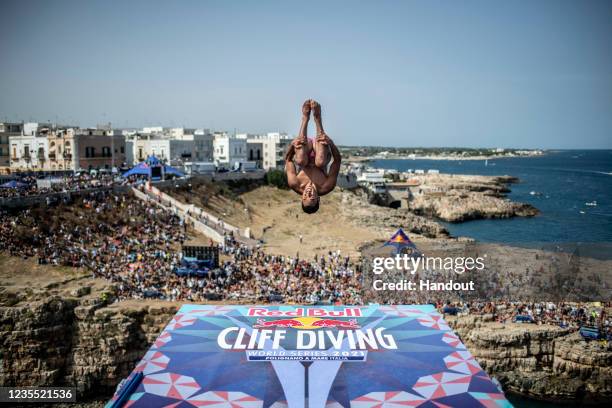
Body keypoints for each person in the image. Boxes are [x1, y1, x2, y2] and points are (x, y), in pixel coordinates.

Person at [285, 99, 341, 214]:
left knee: (300, 160)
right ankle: (317, 118)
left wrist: (292, 145)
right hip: (320, 149)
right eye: (311, 198)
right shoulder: (326, 186)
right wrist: (330, 143)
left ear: (301, 198)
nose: (308, 194)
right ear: (318, 199)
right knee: (320, 162)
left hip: (306, 148)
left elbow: (288, 160)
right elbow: (337, 161)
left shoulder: (294, 183)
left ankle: (305, 118)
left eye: (305, 198)